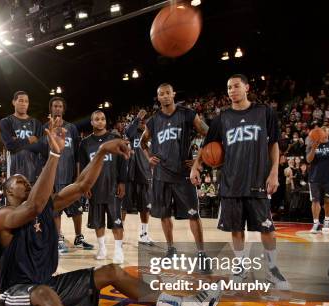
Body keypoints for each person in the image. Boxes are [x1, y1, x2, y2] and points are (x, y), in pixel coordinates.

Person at [0, 117, 221, 306]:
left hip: (45, 286)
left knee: (111, 271)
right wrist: (54, 154)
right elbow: (31, 207)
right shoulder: (4, 216)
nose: (27, 184)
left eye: (29, 183)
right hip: (17, 294)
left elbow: (79, 187)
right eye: (21, 183)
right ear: (7, 192)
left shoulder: (42, 205)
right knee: (43, 293)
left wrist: (100, 153)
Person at [191, 74, 290, 289]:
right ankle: (240, 267)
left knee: (267, 229)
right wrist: (195, 166)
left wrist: (274, 172)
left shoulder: (264, 112)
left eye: (236, 86)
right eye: (228, 87)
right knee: (237, 229)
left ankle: (273, 269)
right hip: (231, 182)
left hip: (257, 180)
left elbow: (274, 144)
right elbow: (208, 146)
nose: (232, 90)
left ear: (246, 87)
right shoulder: (222, 118)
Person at [141, 83, 209, 263]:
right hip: (161, 174)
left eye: (167, 93)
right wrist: (149, 156)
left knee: (193, 214)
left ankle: (201, 253)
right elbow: (142, 142)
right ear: (158, 97)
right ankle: (171, 249)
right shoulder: (154, 120)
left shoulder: (187, 114)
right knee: (164, 214)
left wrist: (198, 160)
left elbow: (208, 133)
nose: (164, 96)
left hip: (183, 172)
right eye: (161, 94)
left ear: (173, 95)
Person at [43, 97, 94, 254]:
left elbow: (78, 155)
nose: (57, 108)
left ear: (63, 109)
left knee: (77, 210)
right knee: (55, 210)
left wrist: (78, 176)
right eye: (55, 106)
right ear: (51, 108)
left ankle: (78, 237)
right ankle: (58, 238)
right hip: (53, 177)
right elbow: (42, 153)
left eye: (60, 106)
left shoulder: (71, 128)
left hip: (70, 177)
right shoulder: (45, 128)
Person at [79, 111, 127, 263]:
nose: (100, 122)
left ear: (106, 121)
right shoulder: (85, 143)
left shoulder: (115, 139)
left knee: (116, 221)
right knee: (98, 222)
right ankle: (102, 248)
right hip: (94, 187)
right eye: (96, 119)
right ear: (92, 122)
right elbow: (82, 166)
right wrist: (83, 186)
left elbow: (123, 162)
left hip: (112, 186)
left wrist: (122, 182)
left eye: (102, 119)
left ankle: (119, 251)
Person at [123, 109, 154, 245]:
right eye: (140, 121)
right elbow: (128, 130)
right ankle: (120, 231)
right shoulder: (133, 133)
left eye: (144, 121)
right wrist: (137, 118)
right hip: (130, 175)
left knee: (145, 207)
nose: (142, 123)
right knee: (123, 206)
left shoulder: (152, 136)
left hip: (145, 175)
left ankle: (144, 233)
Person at [0, 91, 44, 183]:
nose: (23, 104)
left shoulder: (37, 124)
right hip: (14, 172)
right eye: (21, 100)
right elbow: (10, 145)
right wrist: (29, 139)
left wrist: (18, 142)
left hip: (34, 173)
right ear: (14, 102)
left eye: (26, 101)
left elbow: (39, 147)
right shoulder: (6, 122)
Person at [305, 127, 329, 233]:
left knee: (327, 200)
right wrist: (314, 147)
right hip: (314, 177)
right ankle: (316, 223)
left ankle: (326, 220)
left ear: (328, 133)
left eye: (326, 131)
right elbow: (308, 160)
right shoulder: (311, 144)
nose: (324, 132)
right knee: (315, 200)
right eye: (322, 130)